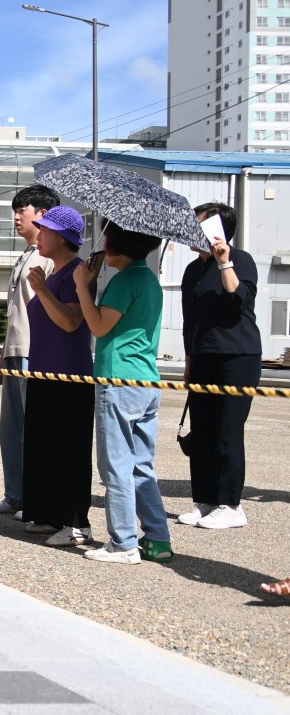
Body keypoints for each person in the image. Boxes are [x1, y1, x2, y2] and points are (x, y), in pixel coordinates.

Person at [75, 221, 169, 564]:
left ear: (118, 243)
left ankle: (123, 542)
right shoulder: (150, 280)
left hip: (117, 381)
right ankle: (157, 538)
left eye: (108, 236)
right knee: (142, 465)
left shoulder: (124, 281)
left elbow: (99, 326)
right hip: (146, 381)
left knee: (115, 465)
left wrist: (82, 286)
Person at [179, 202, 260, 530]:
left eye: (197, 225)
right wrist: (188, 361)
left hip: (236, 356)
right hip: (202, 356)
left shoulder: (241, 259)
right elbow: (190, 321)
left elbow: (239, 301)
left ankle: (231, 504)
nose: (190, 231)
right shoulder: (192, 270)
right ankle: (205, 500)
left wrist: (224, 262)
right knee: (202, 431)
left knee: (227, 430)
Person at [20, 206, 96, 547]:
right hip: (44, 371)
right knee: (45, 445)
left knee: (69, 448)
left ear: (63, 238)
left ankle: (77, 522)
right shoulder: (54, 273)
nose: (39, 235)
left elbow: (71, 322)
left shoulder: (79, 274)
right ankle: (52, 514)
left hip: (69, 376)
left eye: (46, 230)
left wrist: (42, 291)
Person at [0, 184, 58, 518]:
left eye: (22, 211)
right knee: (11, 430)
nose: (16, 217)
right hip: (15, 350)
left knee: (34, 430)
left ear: (43, 214)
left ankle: (32, 496)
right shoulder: (26, 253)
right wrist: (4, 353)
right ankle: (14, 494)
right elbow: (15, 311)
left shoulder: (49, 256)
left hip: (35, 352)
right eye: (15, 211)